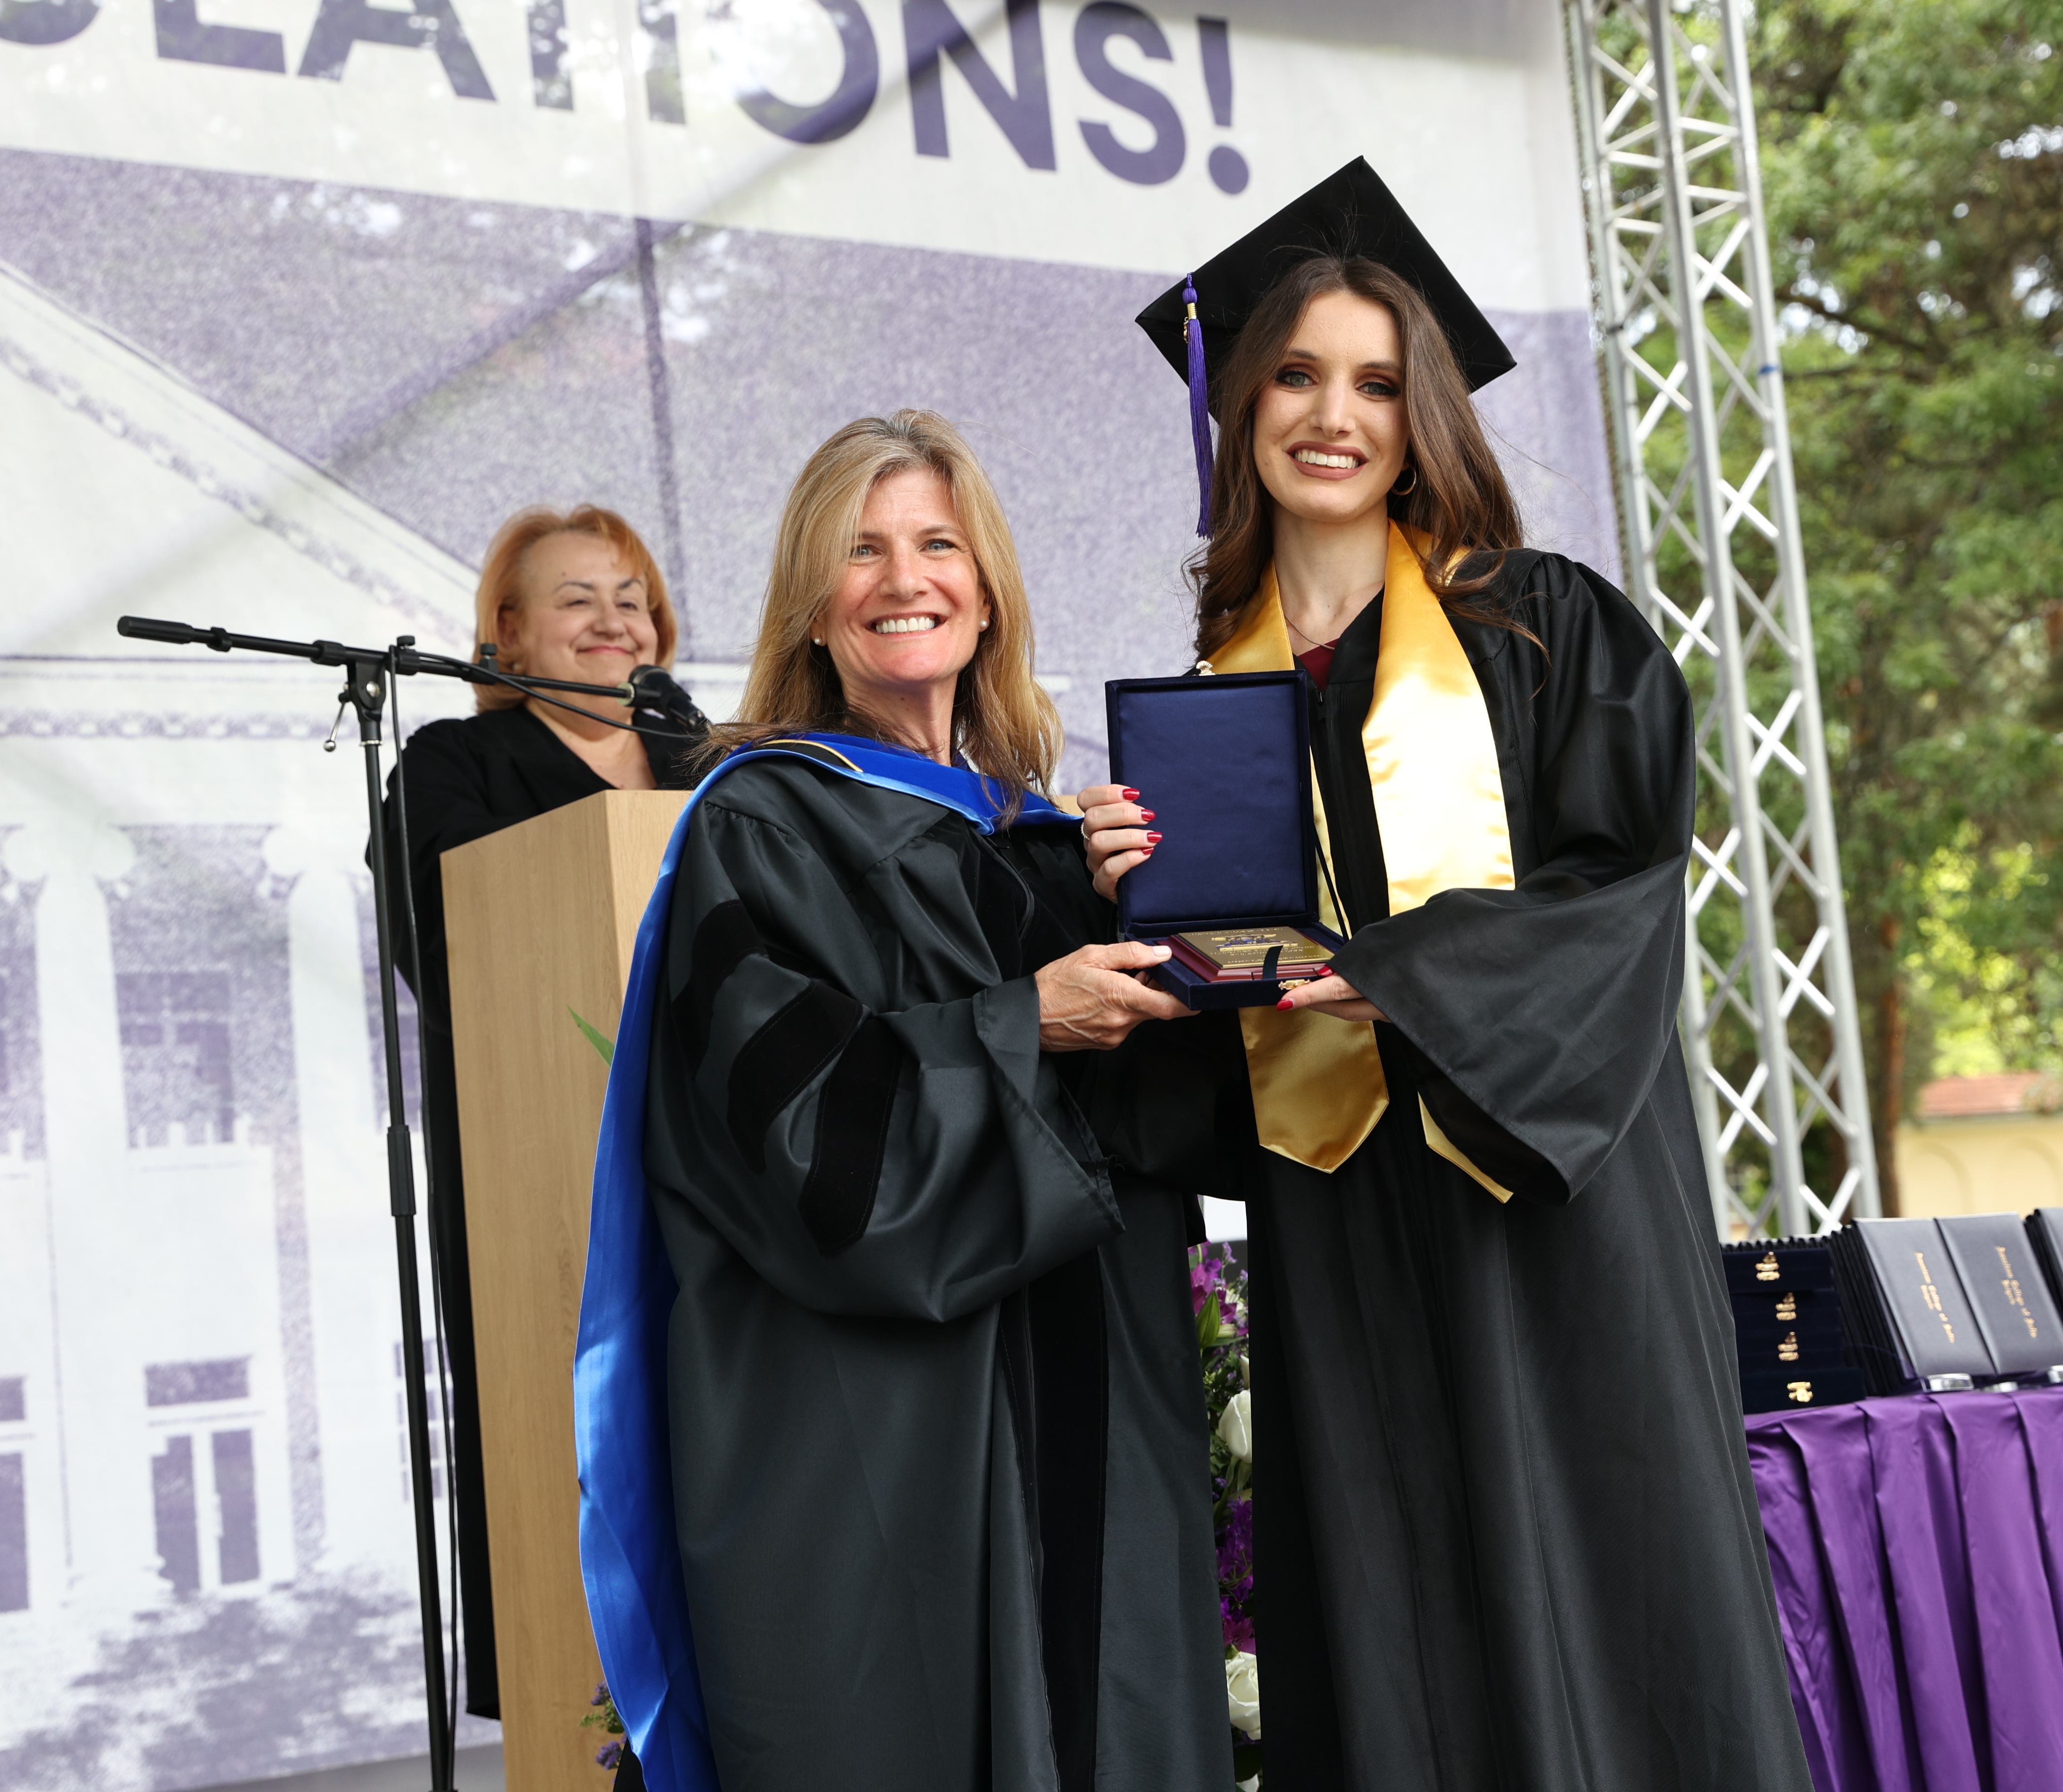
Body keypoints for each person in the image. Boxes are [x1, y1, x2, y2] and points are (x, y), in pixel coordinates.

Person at [1082, 160, 1815, 1792]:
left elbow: (1624, 892)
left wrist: (1403, 977)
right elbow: (1204, 1036)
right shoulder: (1207, 703)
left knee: (1602, 1588)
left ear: (1422, 419)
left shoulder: (1546, 628)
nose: (1331, 416)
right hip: (1344, 1222)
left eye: (1372, 382)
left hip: (1541, 1203)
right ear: (1240, 403)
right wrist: (1129, 901)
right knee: (1395, 1610)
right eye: (1293, 375)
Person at [573, 410, 1234, 1792]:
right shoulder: (762, 828)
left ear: (986, 594)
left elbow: (1166, 1124)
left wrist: (1155, 909)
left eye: (938, 544)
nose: (904, 578)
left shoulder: (1036, 838)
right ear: (814, 608)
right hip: (893, 1437)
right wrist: (1027, 1021)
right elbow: (804, 1141)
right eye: (861, 551)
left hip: (1096, 1399)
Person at [382, 503, 705, 1720]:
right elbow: (455, 954)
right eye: (579, 600)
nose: (616, 623)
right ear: (506, 634)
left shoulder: (714, 766)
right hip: (547, 1177)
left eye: (633, 600)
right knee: (573, 1476)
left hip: (724, 1164)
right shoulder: (452, 770)